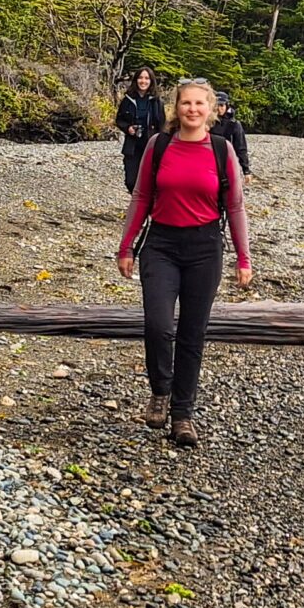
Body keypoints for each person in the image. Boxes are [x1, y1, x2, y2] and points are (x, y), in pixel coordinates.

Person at [114, 78, 253, 447]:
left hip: (205, 248)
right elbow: (141, 197)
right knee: (159, 325)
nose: (192, 109)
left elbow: (236, 207)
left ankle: (183, 415)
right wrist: (125, 247)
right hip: (160, 245)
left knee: (193, 334)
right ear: (176, 108)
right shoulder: (158, 146)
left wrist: (244, 257)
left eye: (199, 104)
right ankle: (160, 390)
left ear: (210, 110)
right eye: (185, 103)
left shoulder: (223, 151)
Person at [115, 66, 164, 191]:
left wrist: (161, 144)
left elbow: (163, 124)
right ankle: (138, 201)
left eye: (147, 78)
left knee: (151, 181)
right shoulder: (128, 99)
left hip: (151, 145)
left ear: (151, 81)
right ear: (136, 80)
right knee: (131, 181)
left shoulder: (156, 101)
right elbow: (119, 120)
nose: (143, 81)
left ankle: (146, 207)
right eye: (141, 78)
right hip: (132, 146)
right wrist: (128, 128)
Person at [213, 91, 252, 178]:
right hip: (210, 159)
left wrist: (246, 170)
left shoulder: (234, 124)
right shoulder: (208, 123)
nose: (219, 109)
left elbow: (241, 147)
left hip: (227, 160)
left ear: (227, 105)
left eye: (221, 105)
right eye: (216, 105)